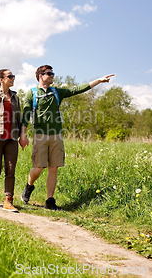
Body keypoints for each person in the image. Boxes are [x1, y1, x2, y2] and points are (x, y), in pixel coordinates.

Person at [19, 65, 114, 210]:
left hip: (56, 135)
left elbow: (77, 89)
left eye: (52, 73)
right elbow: (26, 114)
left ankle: (50, 201)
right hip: (40, 135)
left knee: (54, 168)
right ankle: (29, 185)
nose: (52, 76)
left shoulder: (57, 92)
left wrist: (99, 81)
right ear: (40, 76)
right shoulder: (31, 93)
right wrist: (23, 135)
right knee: (38, 167)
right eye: (49, 73)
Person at [0, 69, 28, 212]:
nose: (13, 78)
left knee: (10, 171)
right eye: (10, 76)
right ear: (1, 79)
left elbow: (20, 118)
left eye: (13, 76)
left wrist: (22, 136)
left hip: (11, 138)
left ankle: (8, 200)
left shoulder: (15, 97)